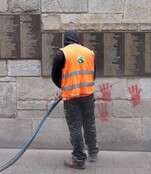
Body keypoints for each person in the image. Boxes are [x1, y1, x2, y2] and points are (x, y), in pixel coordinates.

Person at [51, 31, 99, 170]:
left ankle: (78, 159)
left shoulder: (62, 54)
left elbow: (54, 76)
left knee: (75, 127)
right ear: (78, 39)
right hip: (88, 95)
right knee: (90, 124)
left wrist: (64, 88)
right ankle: (93, 152)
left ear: (65, 40)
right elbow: (92, 75)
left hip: (71, 98)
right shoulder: (89, 53)